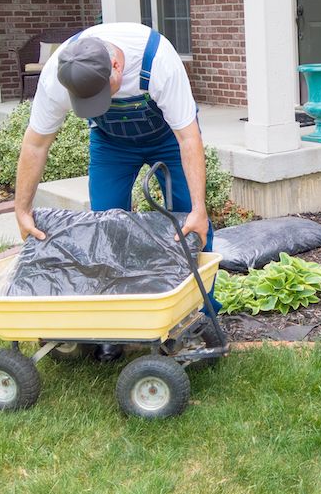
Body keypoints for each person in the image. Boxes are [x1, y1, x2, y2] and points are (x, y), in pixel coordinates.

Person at [13, 22, 212, 362]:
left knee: (189, 227)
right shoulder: (58, 76)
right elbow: (36, 144)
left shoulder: (158, 61)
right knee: (103, 229)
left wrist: (199, 207)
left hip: (168, 138)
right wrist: (21, 208)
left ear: (117, 66)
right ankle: (113, 326)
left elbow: (188, 138)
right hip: (110, 144)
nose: (97, 103)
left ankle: (198, 317)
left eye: (101, 95)